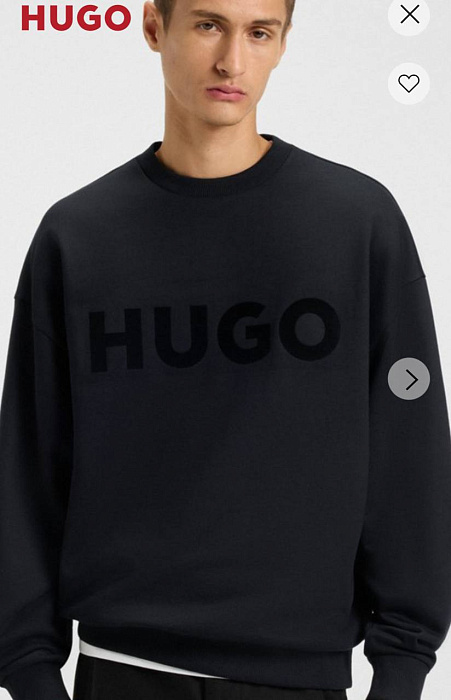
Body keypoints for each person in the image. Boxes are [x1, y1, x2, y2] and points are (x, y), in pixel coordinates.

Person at [1, 0, 451, 698]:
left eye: (258, 32)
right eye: (208, 24)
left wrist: (401, 667)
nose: (231, 61)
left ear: (282, 43)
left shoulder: (356, 224)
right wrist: (31, 672)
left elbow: (409, 448)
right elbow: (28, 468)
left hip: (300, 679)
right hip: (122, 672)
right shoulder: (78, 236)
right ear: (155, 28)